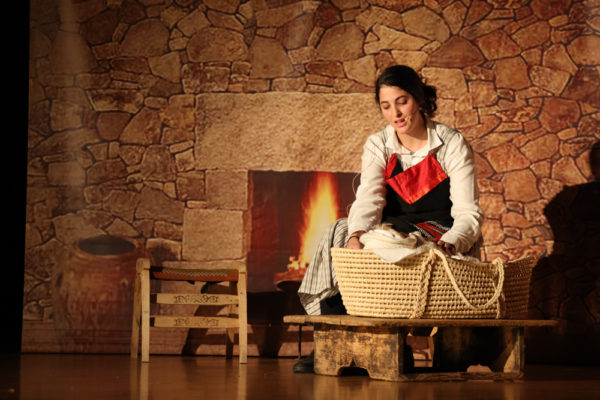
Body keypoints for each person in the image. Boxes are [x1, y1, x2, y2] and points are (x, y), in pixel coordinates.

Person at [293, 65, 484, 373]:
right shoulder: (379, 144)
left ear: (419, 99)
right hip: (391, 226)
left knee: (403, 243)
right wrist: (356, 235)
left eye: (402, 102)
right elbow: (369, 198)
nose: (395, 113)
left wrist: (452, 241)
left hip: (438, 229)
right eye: (385, 106)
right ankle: (335, 343)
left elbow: (467, 211)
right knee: (340, 231)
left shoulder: (451, 144)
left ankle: (395, 345)